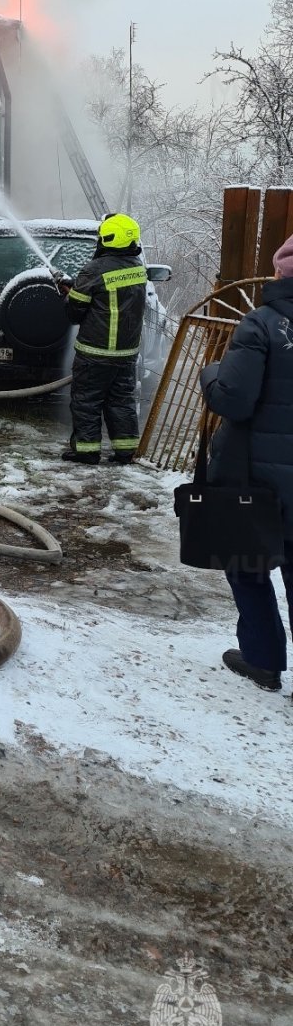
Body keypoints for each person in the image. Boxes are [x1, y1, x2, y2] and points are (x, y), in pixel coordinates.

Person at [198, 232, 293, 693]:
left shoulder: (262, 325)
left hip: (258, 480)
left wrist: (210, 372)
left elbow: (232, 401)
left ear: (280, 272)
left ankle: (262, 660)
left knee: (248, 565)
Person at [59, 212, 148, 465]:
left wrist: (67, 294)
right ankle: (125, 451)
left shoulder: (94, 269)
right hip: (126, 355)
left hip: (94, 353)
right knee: (121, 402)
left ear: (107, 239)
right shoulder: (137, 268)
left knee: (87, 401)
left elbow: (75, 312)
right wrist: (77, 286)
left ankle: (86, 451)